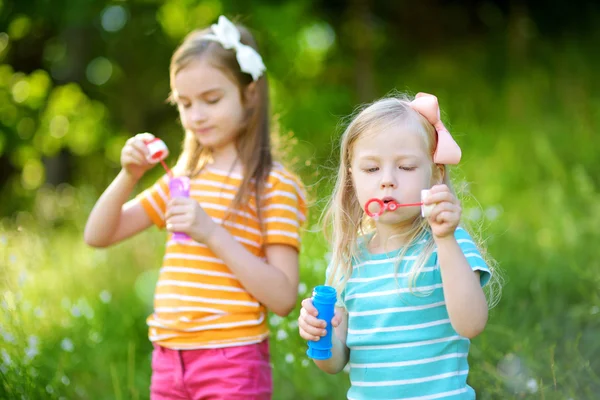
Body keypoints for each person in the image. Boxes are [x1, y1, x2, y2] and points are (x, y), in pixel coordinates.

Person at [84, 15, 306, 400]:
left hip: (233, 360)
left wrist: (211, 233)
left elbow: (284, 297)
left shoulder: (272, 184)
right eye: (184, 103)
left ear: (249, 93)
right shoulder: (183, 178)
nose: (196, 115)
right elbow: (98, 235)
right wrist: (128, 175)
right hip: (169, 360)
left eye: (211, 99)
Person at [298, 92, 500, 399]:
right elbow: (336, 362)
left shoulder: (448, 245)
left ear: (435, 174)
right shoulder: (348, 259)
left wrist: (445, 239)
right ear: (352, 177)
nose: (387, 181)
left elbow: (471, 324)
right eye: (371, 168)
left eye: (405, 167)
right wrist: (320, 337)